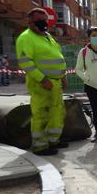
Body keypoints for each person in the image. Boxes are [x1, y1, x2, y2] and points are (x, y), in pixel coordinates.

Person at [15, 8, 68, 156]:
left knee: (57, 112)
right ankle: (40, 146)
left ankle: (53, 140)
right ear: (30, 21)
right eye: (39, 20)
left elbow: (58, 57)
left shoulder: (47, 36)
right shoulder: (26, 38)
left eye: (45, 20)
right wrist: (42, 79)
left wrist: (63, 76)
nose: (43, 23)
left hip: (55, 82)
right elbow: (25, 62)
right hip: (41, 84)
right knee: (41, 113)